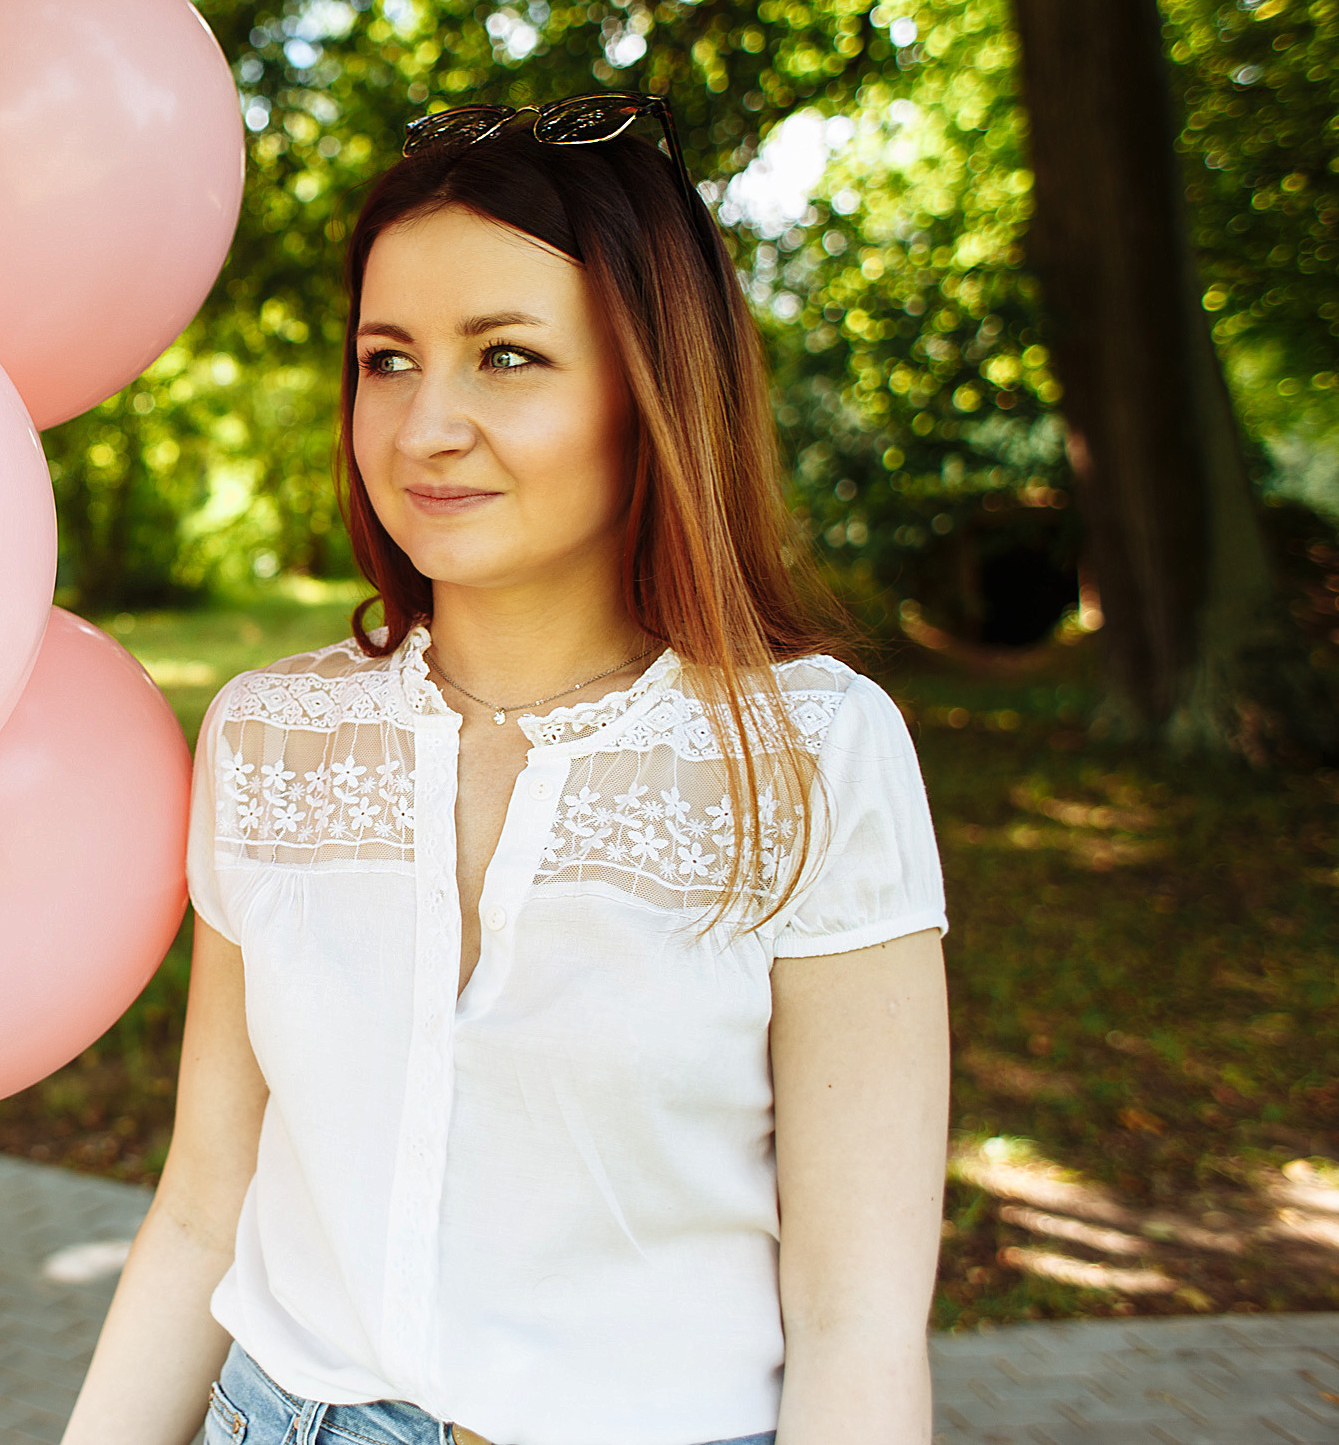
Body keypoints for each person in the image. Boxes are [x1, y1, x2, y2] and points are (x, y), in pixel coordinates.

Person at [60, 93, 950, 1445]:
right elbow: (200, 1209)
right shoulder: (269, 738)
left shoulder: (815, 751)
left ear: (651, 392)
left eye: (509, 358)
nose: (426, 426)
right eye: (389, 358)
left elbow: (855, 1315)